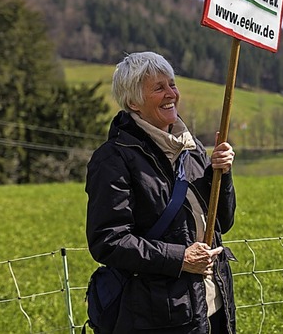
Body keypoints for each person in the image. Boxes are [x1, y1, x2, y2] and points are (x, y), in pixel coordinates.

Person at [86, 51, 237, 333]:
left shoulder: (192, 151)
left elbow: (223, 223)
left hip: (213, 306)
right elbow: (108, 241)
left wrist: (223, 174)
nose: (171, 94)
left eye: (172, 84)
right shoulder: (113, 159)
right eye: (159, 88)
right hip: (156, 317)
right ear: (134, 102)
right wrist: (180, 258)